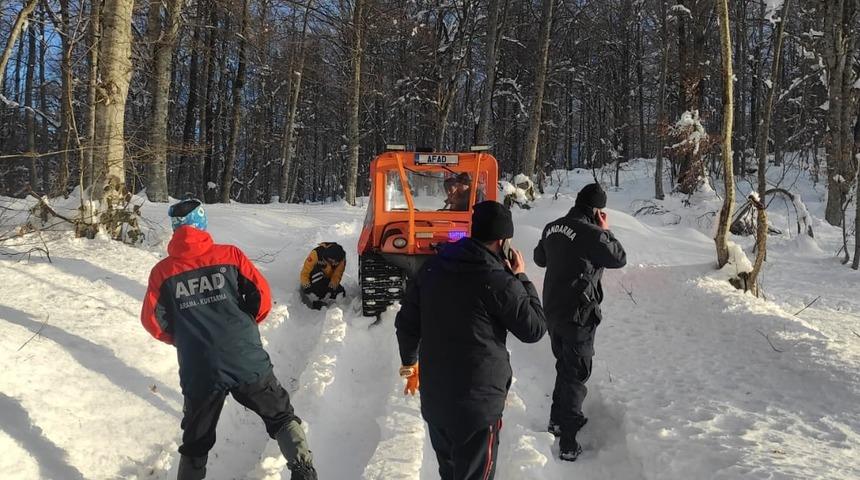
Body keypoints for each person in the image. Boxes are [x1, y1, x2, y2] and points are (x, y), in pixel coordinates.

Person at [141, 199, 317, 480]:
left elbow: (153, 322)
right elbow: (262, 299)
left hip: (199, 367)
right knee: (280, 414)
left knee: (196, 440)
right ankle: (304, 469)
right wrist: (245, 326)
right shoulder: (230, 256)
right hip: (244, 356)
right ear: (202, 223)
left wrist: (185, 339)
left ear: (176, 229)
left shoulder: (163, 273)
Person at [395, 201, 546, 480]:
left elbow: (406, 325)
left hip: (437, 401)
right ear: (503, 242)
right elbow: (534, 328)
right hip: (477, 409)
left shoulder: (431, 269)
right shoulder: (498, 280)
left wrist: (409, 363)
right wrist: (521, 277)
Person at [533, 183, 627, 462]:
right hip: (579, 313)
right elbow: (619, 258)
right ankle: (569, 443)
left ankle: (557, 421)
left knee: (564, 364)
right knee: (576, 373)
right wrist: (604, 230)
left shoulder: (552, 227)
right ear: (597, 210)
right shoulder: (592, 233)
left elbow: (539, 258)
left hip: (552, 309)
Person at [300, 242, 346, 309]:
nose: (333, 264)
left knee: (341, 291)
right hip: (312, 281)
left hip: (326, 280)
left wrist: (330, 290)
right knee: (318, 275)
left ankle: (326, 299)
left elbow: (336, 276)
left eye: (336, 263)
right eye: (332, 261)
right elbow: (304, 273)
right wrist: (307, 288)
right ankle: (315, 301)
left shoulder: (341, 260)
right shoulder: (316, 253)